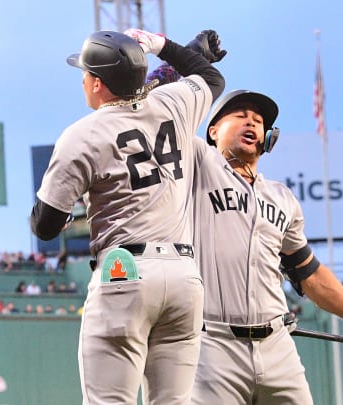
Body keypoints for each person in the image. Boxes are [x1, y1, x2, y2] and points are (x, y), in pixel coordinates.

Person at [29, 28, 225, 404]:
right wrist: (165, 46)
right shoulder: (173, 104)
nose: (83, 79)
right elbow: (211, 78)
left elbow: (45, 225)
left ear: (98, 83)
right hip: (184, 277)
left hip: (125, 271)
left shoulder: (81, 135)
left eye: (85, 73)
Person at [190, 89, 343, 404]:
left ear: (268, 138)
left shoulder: (282, 198)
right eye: (240, 115)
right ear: (212, 131)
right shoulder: (195, 168)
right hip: (212, 346)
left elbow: (310, 275)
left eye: (258, 120)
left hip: (277, 347)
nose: (251, 122)